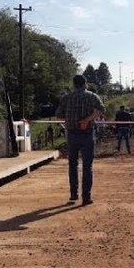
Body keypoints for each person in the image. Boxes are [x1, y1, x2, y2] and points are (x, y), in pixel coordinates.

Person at [55, 75, 105, 205]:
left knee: (73, 165)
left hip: (72, 135)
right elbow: (101, 110)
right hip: (87, 133)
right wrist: (87, 119)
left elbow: (59, 114)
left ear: (73, 84)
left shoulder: (67, 97)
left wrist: (69, 118)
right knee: (87, 166)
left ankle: (73, 194)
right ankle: (86, 197)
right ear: (85, 84)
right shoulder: (92, 96)